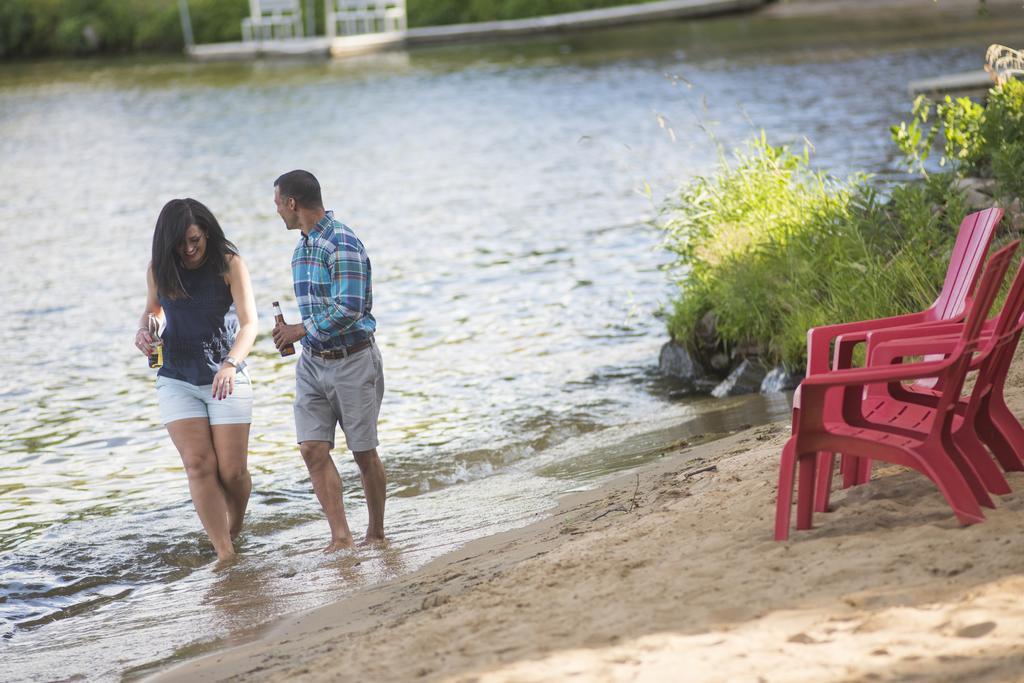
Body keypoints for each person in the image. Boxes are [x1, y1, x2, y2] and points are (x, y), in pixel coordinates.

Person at [134, 198, 258, 562]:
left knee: (232, 472)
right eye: (181, 244)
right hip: (176, 377)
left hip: (226, 375)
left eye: (195, 241)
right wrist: (145, 330)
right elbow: (152, 311)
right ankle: (225, 553)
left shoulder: (229, 263)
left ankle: (234, 527)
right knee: (199, 464)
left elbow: (250, 324)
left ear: (206, 233)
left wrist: (231, 364)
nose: (189, 250)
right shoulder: (160, 268)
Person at [270, 170, 387, 552]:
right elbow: (318, 312)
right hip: (312, 364)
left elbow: (350, 307)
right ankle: (341, 537)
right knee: (311, 448)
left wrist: (301, 329)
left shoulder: (342, 241)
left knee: (363, 452)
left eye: (277, 204)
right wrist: (293, 332)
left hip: (353, 360)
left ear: (292, 203)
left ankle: (376, 533)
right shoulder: (301, 250)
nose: (277, 212)